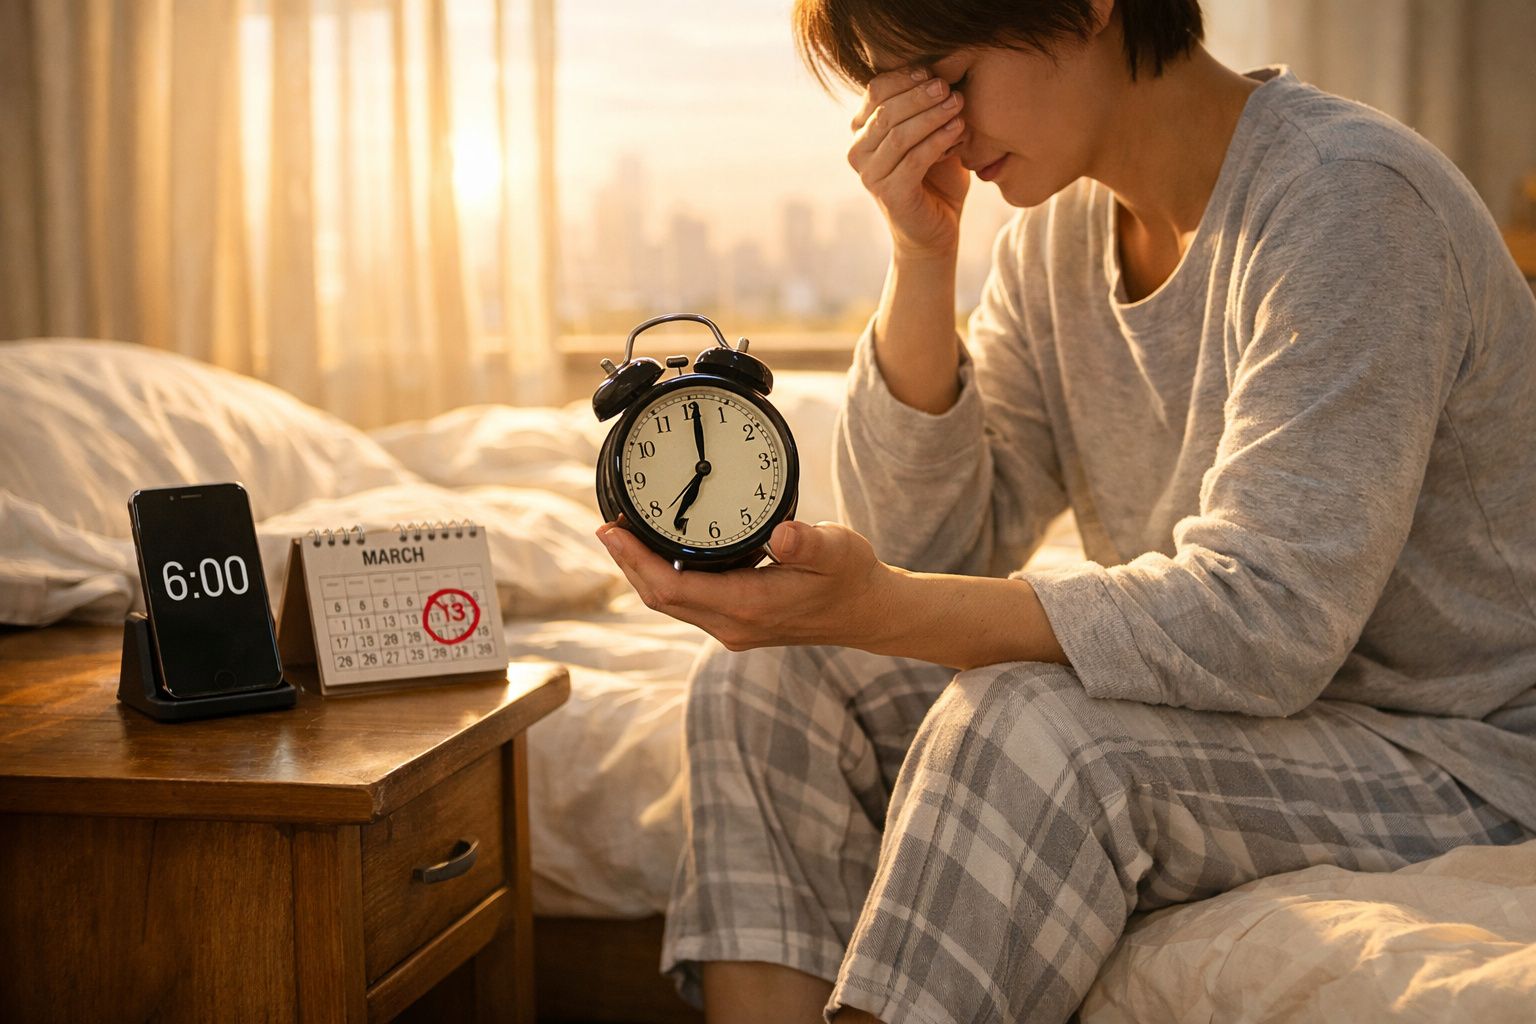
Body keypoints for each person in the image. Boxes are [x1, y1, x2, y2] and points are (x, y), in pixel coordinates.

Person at [594, 0, 1536, 1020]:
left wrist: (877, 605)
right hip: (1240, 720)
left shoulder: (1349, 200)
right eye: (898, 96)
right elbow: (931, 549)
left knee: (1032, 728)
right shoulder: (1057, 246)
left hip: (1460, 751)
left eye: (945, 78)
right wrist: (921, 255)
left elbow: (1269, 623)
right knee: (764, 686)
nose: (929, 125)